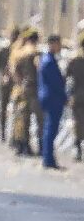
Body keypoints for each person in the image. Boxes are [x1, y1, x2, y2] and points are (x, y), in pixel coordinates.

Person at [12, 29, 43, 156]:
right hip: (34, 89)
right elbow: (40, 69)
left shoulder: (20, 53)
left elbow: (14, 71)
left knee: (22, 118)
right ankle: (41, 147)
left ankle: (22, 145)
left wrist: (20, 82)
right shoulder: (35, 53)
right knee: (40, 119)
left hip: (23, 88)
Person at [38, 35, 67, 169]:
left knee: (49, 128)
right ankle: (48, 158)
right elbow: (56, 83)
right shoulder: (49, 61)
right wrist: (65, 97)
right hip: (53, 98)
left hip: (49, 97)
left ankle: (48, 157)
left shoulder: (47, 59)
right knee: (51, 129)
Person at [0, 27, 21, 142]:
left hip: (14, 82)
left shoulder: (18, 51)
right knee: (4, 108)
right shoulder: (6, 50)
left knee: (14, 109)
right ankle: (3, 132)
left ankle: (12, 134)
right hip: (7, 82)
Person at [66, 33, 84, 162]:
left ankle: (77, 149)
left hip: (77, 97)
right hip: (78, 97)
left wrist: (69, 96)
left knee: (77, 124)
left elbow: (67, 78)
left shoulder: (74, 61)